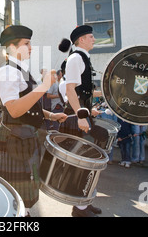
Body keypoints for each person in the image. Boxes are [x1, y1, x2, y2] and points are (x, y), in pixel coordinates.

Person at [0, 25, 67, 217]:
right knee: (15, 192)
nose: (31, 47)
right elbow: (15, 109)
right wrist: (44, 86)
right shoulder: (7, 72)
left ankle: (23, 214)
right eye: (26, 44)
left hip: (24, 137)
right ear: (11, 47)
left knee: (27, 187)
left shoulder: (20, 70)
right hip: (15, 139)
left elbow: (28, 104)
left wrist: (50, 115)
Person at [59, 25, 103, 217]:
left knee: (89, 162)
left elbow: (82, 92)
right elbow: (70, 91)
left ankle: (84, 202)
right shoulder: (76, 58)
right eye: (91, 37)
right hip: (77, 118)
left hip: (82, 115)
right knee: (82, 163)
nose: (94, 39)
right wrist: (81, 115)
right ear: (82, 39)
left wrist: (90, 107)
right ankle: (79, 208)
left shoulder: (84, 58)